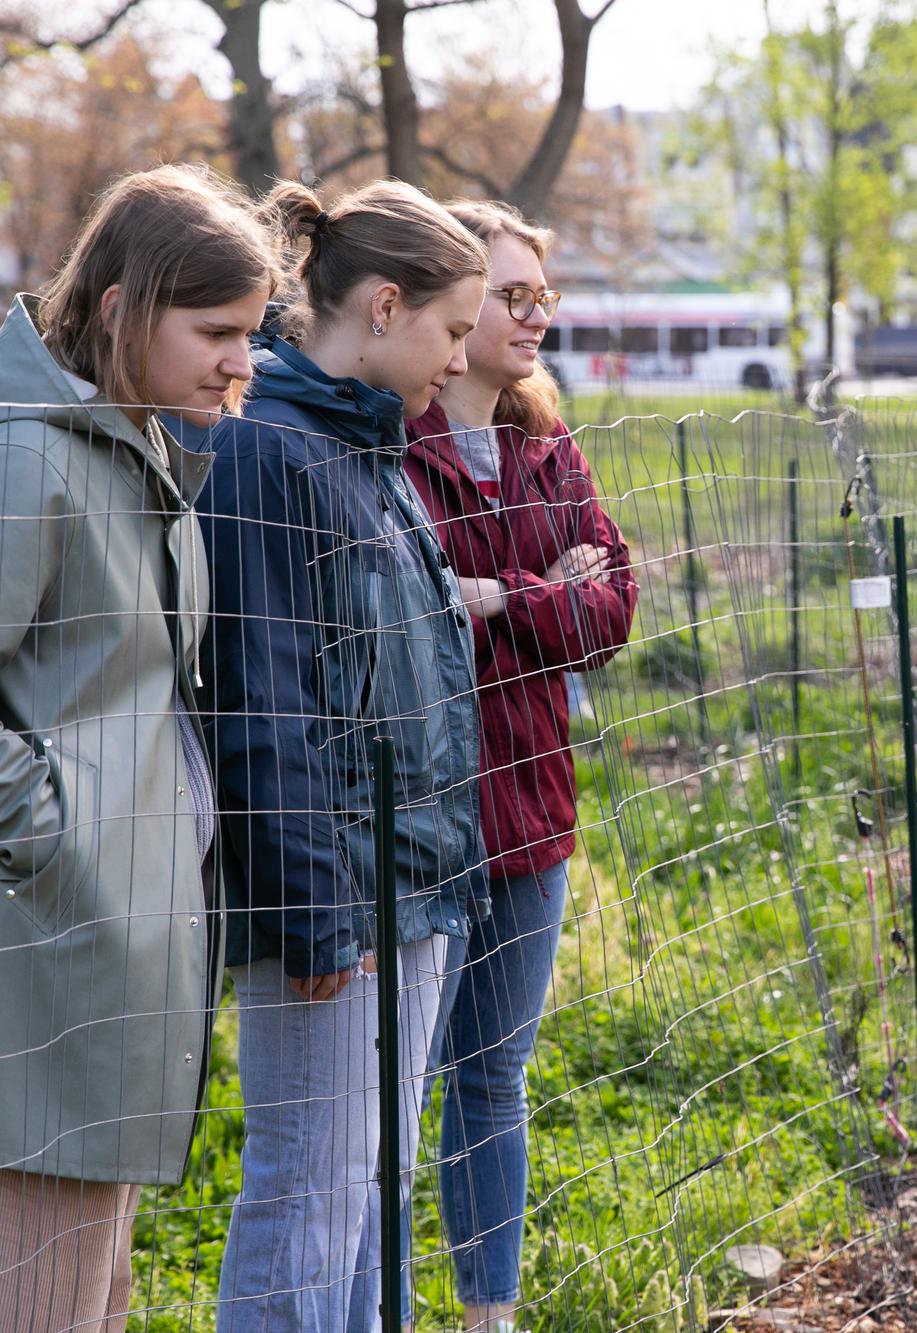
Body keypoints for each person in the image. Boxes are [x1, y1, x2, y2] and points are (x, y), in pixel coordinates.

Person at [0, 164, 277, 1332]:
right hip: (46, 954)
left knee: (87, 1293)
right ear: (118, 310)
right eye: (217, 331)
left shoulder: (137, 452)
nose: (243, 361)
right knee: (29, 1304)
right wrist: (60, 846)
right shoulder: (26, 457)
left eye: (250, 332)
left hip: (112, 956)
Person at [198, 178, 493, 1333]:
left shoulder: (372, 446)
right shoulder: (268, 454)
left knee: (370, 1191)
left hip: (409, 888)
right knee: (307, 1200)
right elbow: (264, 705)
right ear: (383, 305)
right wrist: (320, 913)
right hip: (337, 910)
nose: (460, 358)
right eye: (453, 329)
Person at [403, 200, 638, 1333]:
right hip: (412, 820)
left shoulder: (549, 444)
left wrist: (499, 598)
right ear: (451, 303)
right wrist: (551, 588)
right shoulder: (388, 448)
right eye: (513, 295)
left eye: (543, 295)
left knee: (492, 1082)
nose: (535, 315)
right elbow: (403, 620)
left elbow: (613, 607)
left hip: (529, 811)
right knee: (389, 1100)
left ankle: (487, 1317)